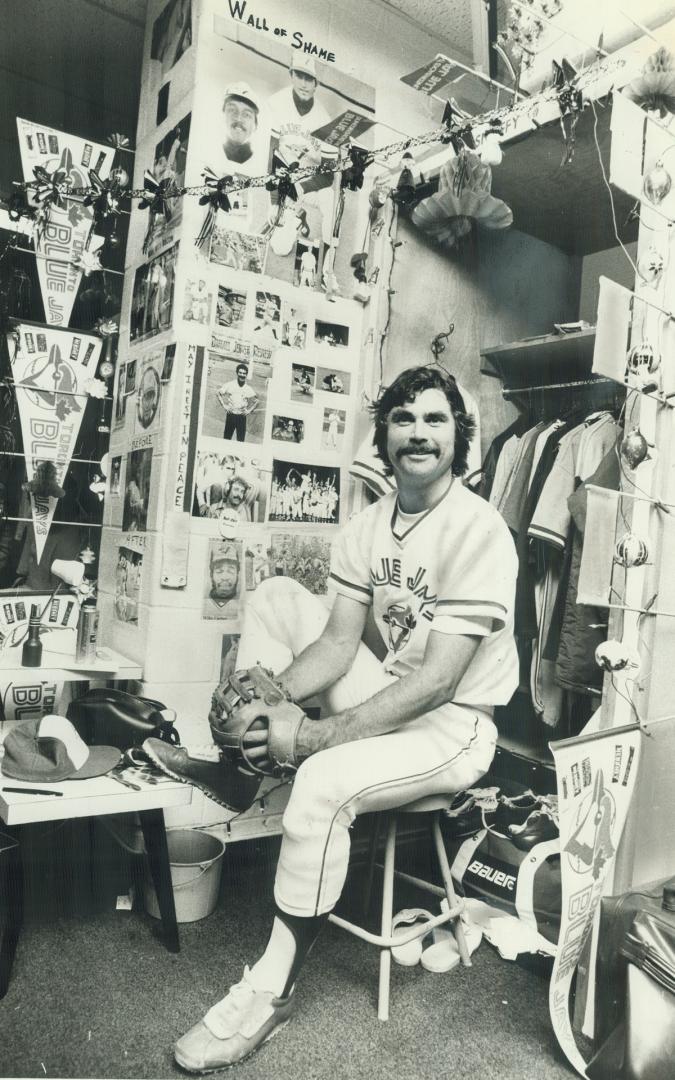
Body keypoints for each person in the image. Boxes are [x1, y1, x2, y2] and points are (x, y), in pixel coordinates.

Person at [145, 365, 519, 1072]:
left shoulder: (479, 531)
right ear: (382, 434)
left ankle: (269, 990)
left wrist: (311, 735)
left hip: (455, 726)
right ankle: (243, 765)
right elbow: (337, 643)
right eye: (403, 418)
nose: (417, 432)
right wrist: (273, 704)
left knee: (319, 780)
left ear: (458, 438)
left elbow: (440, 681)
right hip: (393, 693)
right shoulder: (367, 525)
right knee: (282, 594)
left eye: (435, 420)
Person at [221, 83, 262, 170]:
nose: (239, 118)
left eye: (247, 114)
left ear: (255, 125)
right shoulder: (207, 153)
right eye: (232, 110)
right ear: (223, 116)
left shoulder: (261, 166)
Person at [217, 364, 258, 442]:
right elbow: (218, 393)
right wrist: (224, 405)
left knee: (241, 440)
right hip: (231, 415)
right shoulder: (230, 384)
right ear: (237, 373)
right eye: (240, 373)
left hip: (241, 417)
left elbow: (257, 400)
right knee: (226, 439)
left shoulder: (248, 388)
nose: (242, 375)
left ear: (246, 375)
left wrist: (249, 411)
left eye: (244, 373)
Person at [204, 543, 240, 619]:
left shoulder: (244, 606)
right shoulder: (204, 604)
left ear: (237, 574)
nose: (225, 577)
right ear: (211, 574)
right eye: (219, 571)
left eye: (230, 571)